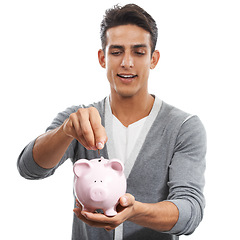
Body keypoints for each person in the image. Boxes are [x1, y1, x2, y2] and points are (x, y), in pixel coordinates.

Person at [17, 4, 206, 240]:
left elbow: (190, 211)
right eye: (116, 52)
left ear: (153, 59)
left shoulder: (183, 127)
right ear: (102, 58)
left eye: (138, 52)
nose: (127, 63)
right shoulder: (78, 118)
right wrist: (65, 131)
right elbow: (29, 168)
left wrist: (134, 212)